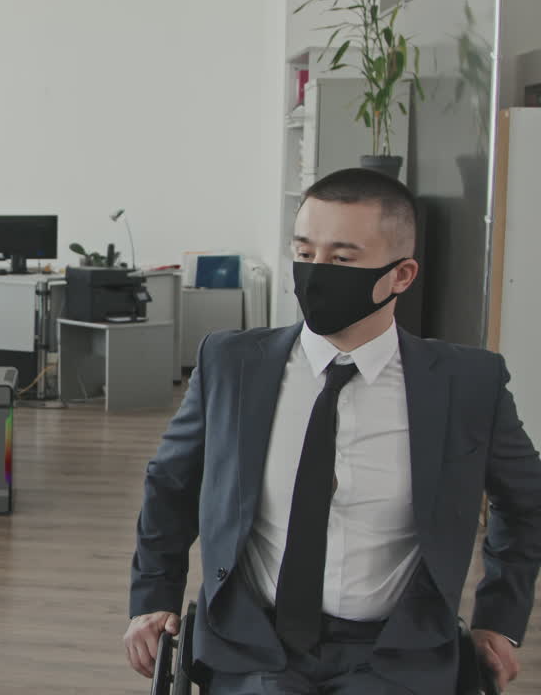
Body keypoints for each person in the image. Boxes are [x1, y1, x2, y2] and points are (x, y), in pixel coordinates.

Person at [125, 168, 541, 694]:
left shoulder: (468, 383)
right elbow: (170, 485)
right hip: (252, 644)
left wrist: (498, 619)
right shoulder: (231, 364)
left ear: (402, 275)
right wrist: (151, 601)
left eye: (342, 259)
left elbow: (526, 503)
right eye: (304, 253)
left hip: (399, 652)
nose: (316, 273)